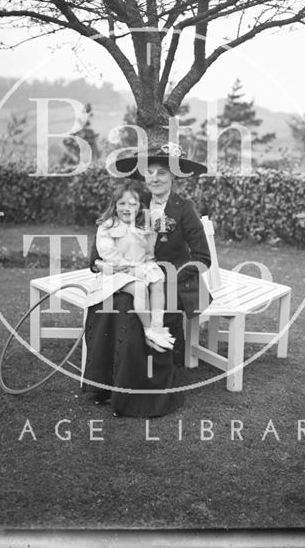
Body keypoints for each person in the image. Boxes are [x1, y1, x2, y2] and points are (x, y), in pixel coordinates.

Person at [82, 141, 212, 417]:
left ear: (174, 176)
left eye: (162, 173)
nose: (154, 178)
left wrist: (163, 274)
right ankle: (107, 386)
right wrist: (101, 265)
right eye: (149, 172)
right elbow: (100, 251)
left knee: (134, 311)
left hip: (172, 283)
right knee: (114, 305)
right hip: (130, 276)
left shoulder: (183, 208)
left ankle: (144, 395)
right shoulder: (135, 202)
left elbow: (202, 258)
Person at [87, 180, 175, 352]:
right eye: (122, 203)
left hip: (139, 267)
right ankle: (148, 329)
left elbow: (149, 252)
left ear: (139, 207)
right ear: (114, 205)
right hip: (116, 272)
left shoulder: (144, 227)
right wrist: (127, 266)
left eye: (132, 204)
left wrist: (149, 264)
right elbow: (106, 251)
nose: (127, 208)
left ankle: (158, 325)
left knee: (158, 281)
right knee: (140, 288)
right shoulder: (108, 225)